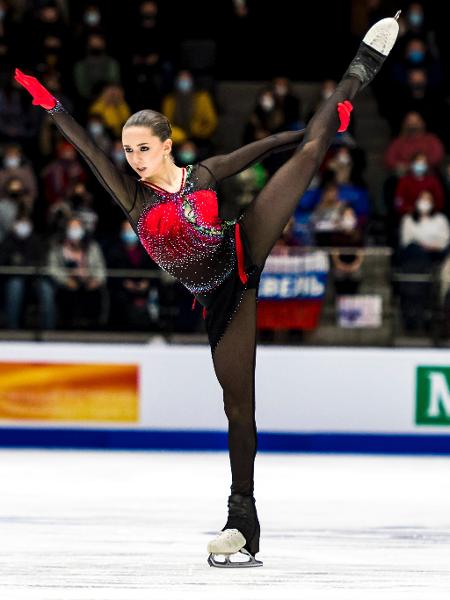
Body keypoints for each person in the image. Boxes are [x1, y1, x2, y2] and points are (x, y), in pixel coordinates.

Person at [14, 13, 399, 567]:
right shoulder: (133, 198)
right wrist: (50, 105)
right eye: (128, 151)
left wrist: (312, 131)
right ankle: (244, 520)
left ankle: (361, 67)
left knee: (311, 152)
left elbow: (263, 147)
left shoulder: (202, 176)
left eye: (143, 149)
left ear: (167, 146)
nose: (132, 159)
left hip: (242, 247)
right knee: (238, 407)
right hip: (222, 297)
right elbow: (85, 148)